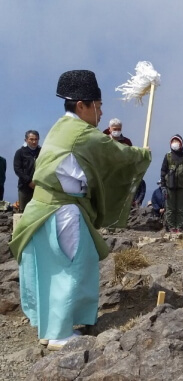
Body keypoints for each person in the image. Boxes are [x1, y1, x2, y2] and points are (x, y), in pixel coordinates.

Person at [9, 70, 151, 351]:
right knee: (72, 269)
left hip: (41, 209)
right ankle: (61, 334)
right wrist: (142, 155)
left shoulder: (62, 127)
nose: (100, 112)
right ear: (81, 106)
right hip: (63, 211)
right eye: (97, 106)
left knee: (51, 269)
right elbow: (116, 154)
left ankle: (49, 329)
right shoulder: (82, 134)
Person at [160, 134, 183, 233]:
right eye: (173, 141)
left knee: (181, 208)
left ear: (181, 143)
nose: (175, 143)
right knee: (170, 208)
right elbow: (163, 171)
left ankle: (180, 227)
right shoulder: (168, 156)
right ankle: (171, 227)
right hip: (169, 186)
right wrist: (163, 186)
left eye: (177, 141)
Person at [14, 130, 41, 212]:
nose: (34, 141)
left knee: (38, 211)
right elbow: (17, 169)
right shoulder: (20, 152)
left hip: (39, 187)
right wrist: (29, 181)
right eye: (31, 139)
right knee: (24, 212)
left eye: (36, 139)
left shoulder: (42, 152)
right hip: (24, 187)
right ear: (26, 140)